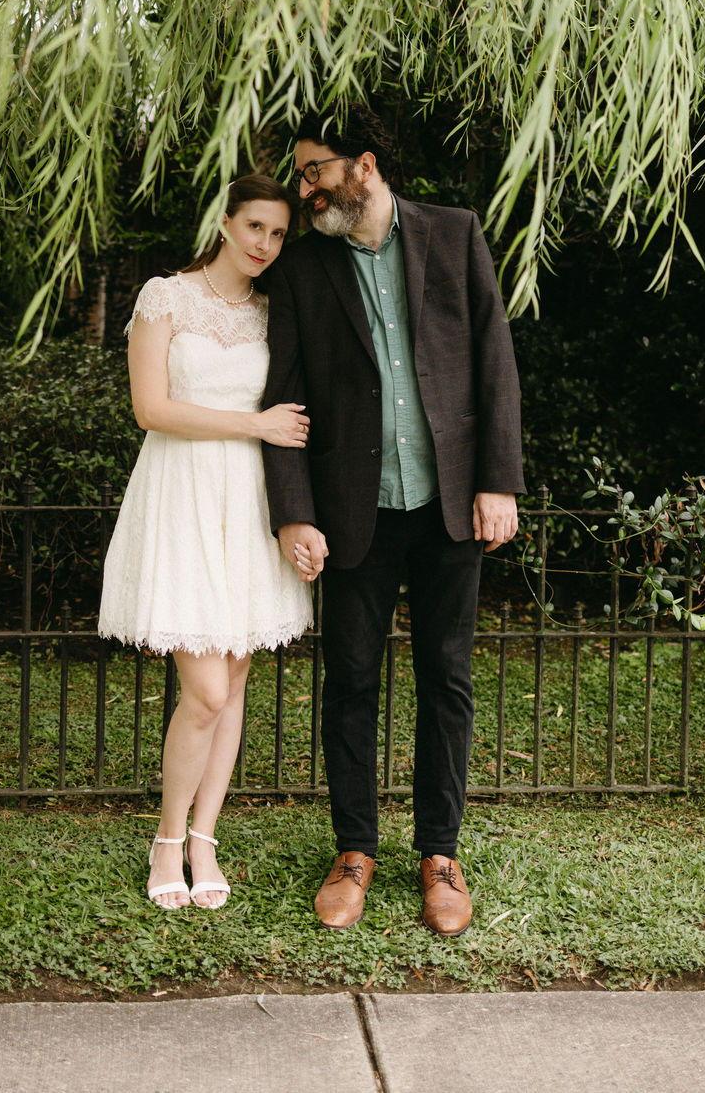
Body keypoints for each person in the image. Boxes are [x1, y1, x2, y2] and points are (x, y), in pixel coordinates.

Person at [260, 109, 524, 937]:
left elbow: (492, 358)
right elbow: (285, 393)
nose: (303, 188)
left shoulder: (453, 233)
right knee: (350, 682)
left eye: (313, 171)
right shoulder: (304, 269)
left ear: (363, 166)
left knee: (446, 680)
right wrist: (293, 511)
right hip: (354, 510)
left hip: (449, 503)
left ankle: (439, 854)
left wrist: (498, 481)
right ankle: (353, 850)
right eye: (300, 175)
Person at [98, 174, 315, 911]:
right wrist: (252, 424)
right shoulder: (165, 296)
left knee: (237, 679)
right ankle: (166, 837)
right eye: (255, 226)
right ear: (224, 223)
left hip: (245, 499)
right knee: (205, 687)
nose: (265, 244)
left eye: (278, 233)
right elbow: (150, 407)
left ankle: (204, 837)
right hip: (182, 491)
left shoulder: (268, 312)